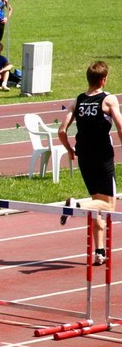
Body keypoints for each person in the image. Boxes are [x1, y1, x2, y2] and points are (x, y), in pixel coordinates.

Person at [57, 61, 122, 266]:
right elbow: (121, 128)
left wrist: (69, 150)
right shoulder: (108, 99)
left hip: (84, 156)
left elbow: (61, 131)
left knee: (98, 202)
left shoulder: (78, 100)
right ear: (103, 80)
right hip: (102, 156)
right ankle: (77, 205)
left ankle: (99, 251)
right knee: (109, 205)